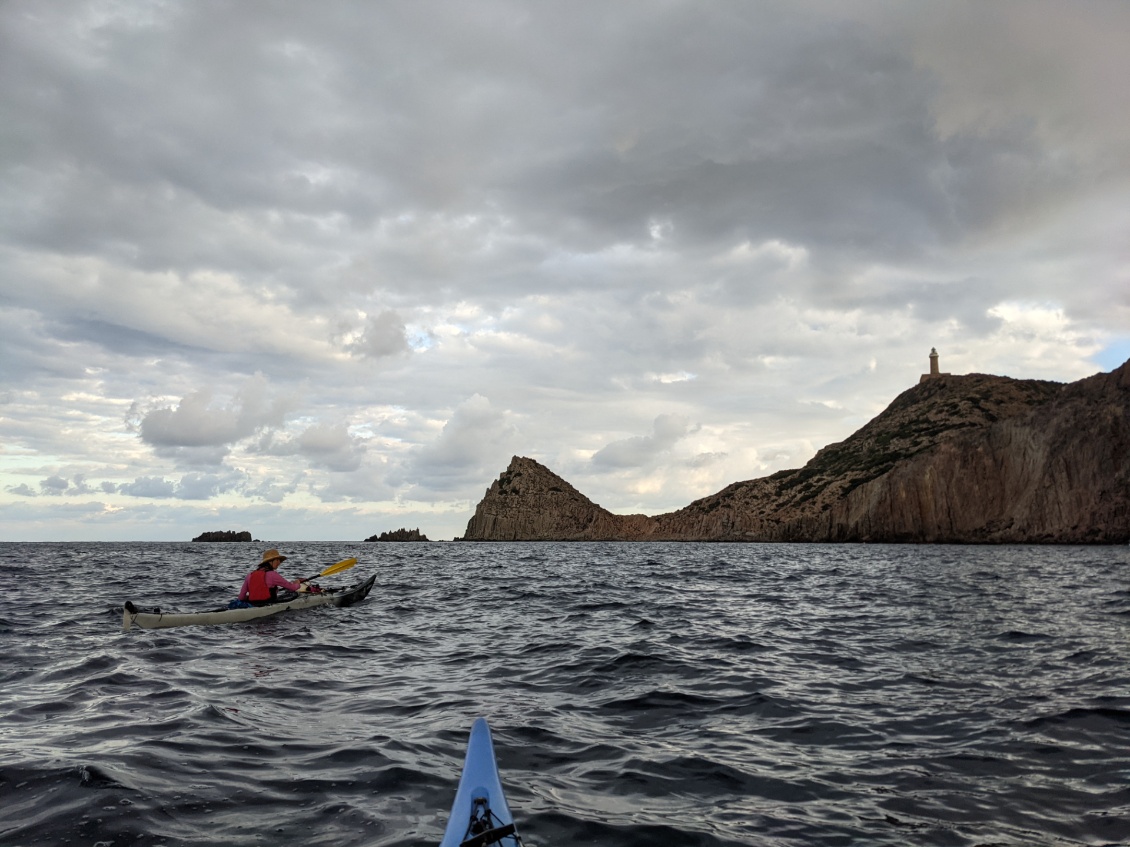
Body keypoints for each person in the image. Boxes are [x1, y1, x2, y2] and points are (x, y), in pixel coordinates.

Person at [239, 549, 307, 606]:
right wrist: (297, 583)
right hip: (268, 604)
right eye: (277, 560)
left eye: (279, 560)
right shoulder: (273, 575)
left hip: (253, 604)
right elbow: (292, 587)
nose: (279, 562)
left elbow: (241, 597)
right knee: (294, 594)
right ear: (270, 562)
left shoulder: (250, 575)